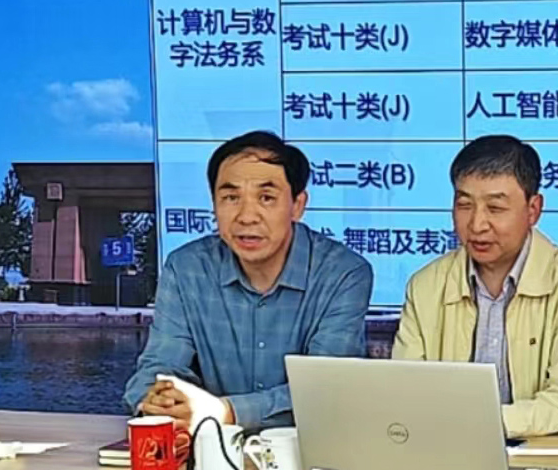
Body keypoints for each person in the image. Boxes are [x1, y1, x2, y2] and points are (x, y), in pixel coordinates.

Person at [124, 131, 373, 432]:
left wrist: (224, 412)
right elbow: (159, 368)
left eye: (266, 198)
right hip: (207, 448)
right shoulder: (186, 268)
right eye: (231, 198)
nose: (246, 216)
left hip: (310, 449)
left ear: (297, 205)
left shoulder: (343, 273)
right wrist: (159, 402)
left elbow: (327, 389)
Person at [392, 135, 558, 438]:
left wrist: (481, 423)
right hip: (444, 450)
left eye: (495, 208)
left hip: (542, 455)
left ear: (533, 210)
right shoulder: (425, 287)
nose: (477, 224)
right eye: (464, 205)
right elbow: (403, 390)